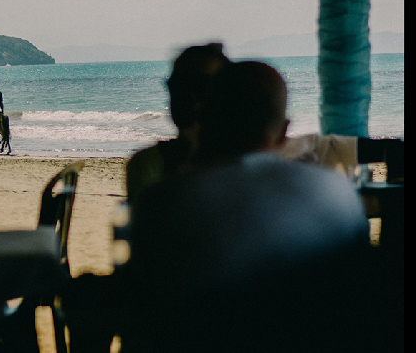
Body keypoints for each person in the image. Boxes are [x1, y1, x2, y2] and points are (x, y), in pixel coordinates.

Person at [123, 61, 376, 351]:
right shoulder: (337, 191)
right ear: (283, 132)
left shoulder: (164, 201)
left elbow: (145, 303)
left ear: (205, 119)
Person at [125, 42, 230, 206]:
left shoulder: (244, 165)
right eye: (179, 85)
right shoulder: (148, 165)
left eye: (202, 86)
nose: (189, 96)